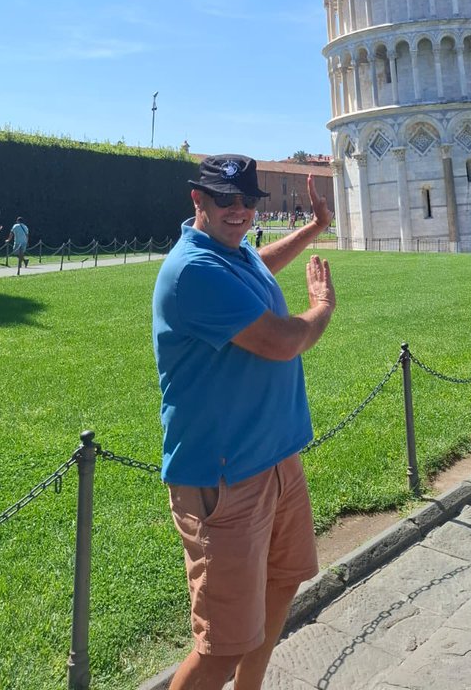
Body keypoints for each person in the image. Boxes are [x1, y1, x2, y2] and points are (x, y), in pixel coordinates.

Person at [153, 154, 336, 690]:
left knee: (284, 581)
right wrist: (322, 306)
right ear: (198, 200)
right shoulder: (193, 270)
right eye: (225, 199)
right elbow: (281, 341)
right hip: (225, 477)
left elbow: (260, 263)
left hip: (275, 459)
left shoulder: (230, 252)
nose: (239, 210)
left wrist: (315, 228)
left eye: (248, 200)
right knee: (222, 647)